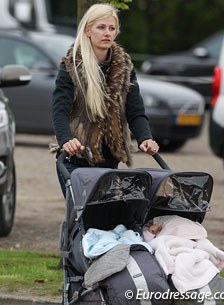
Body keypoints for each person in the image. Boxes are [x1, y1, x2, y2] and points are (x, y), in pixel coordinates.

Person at [51, 3, 159, 196]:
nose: (107, 33)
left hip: (110, 161)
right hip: (76, 161)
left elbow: (135, 111)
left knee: (108, 218)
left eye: (112, 28)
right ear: (88, 30)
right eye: (101, 27)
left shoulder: (125, 67)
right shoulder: (71, 66)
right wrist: (66, 139)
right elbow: (60, 108)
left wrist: (145, 138)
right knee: (82, 217)